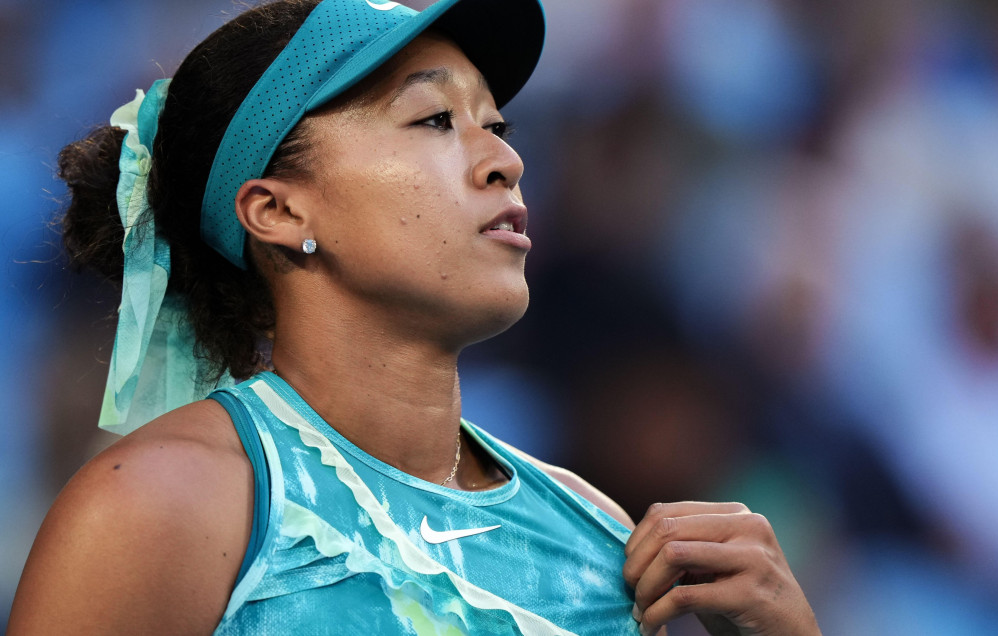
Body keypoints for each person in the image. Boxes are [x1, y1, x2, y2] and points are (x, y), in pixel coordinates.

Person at [9, 1, 821, 634]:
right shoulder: (162, 507)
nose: (506, 158)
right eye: (435, 120)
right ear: (278, 210)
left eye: (496, 125)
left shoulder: (599, 533)